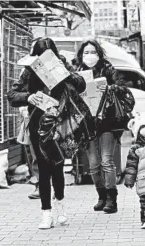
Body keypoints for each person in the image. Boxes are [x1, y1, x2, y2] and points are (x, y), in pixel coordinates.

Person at [7, 37, 88, 229]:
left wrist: (63, 71)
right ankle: (46, 213)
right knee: (43, 168)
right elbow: (12, 95)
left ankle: (60, 206)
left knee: (58, 166)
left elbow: (81, 84)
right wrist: (29, 97)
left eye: (48, 56)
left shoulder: (62, 65)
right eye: (40, 56)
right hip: (38, 125)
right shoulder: (29, 70)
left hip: (61, 123)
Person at [75, 40, 126, 214]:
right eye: (86, 52)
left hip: (107, 122)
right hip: (87, 124)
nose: (89, 56)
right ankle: (101, 195)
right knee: (94, 164)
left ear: (99, 53)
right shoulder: (77, 72)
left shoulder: (108, 69)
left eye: (93, 52)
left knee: (106, 161)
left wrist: (109, 88)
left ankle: (112, 198)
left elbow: (122, 87)